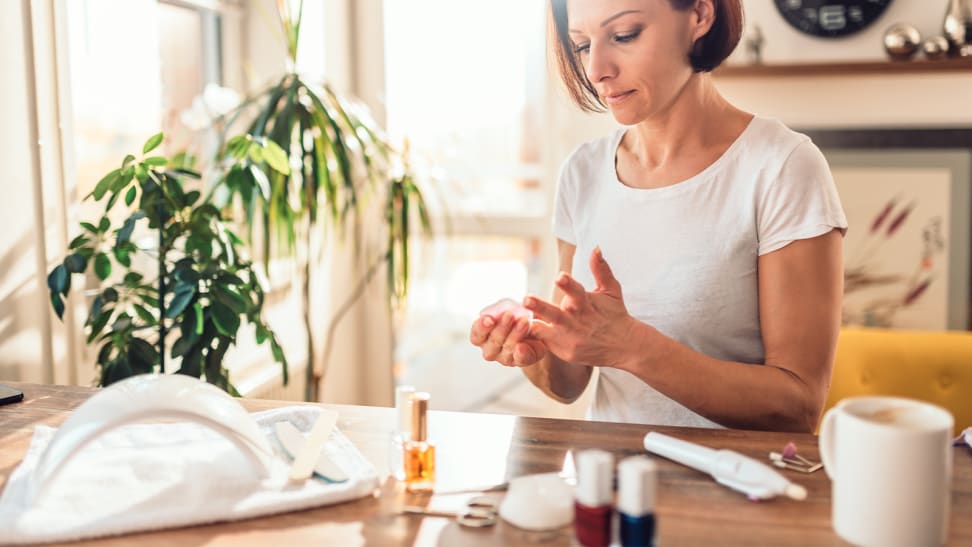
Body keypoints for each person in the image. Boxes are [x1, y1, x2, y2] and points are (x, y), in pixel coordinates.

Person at [469, 0, 847, 433]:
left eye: (624, 35)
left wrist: (632, 346)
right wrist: (530, 339)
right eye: (582, 46)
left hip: (738, 491)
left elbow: (798, 405)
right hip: (610, 488)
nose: (596, 69)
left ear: (700, 16)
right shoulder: (583, 171)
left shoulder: (782, 167)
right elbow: (569, 383)